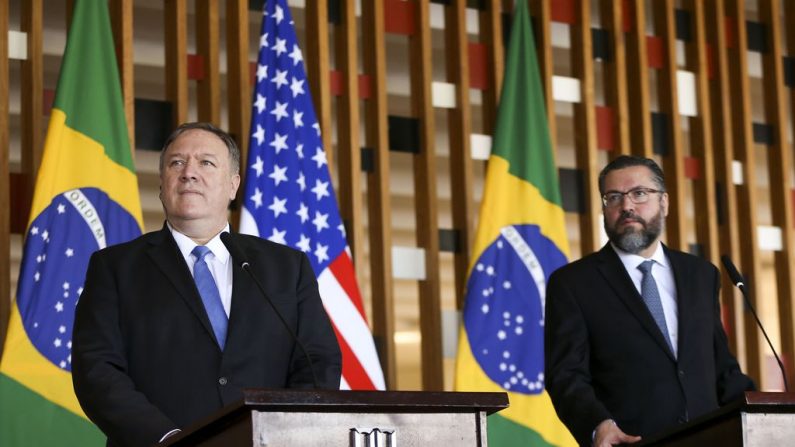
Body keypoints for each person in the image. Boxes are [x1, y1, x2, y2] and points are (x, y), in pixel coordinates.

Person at [72, 122, 341, 447]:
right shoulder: (115, 267)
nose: (189, 173)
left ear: (233, 185)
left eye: (206, 162)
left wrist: (281, 435)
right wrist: (169, 440)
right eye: (176, 162)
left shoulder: (286, 268)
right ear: (162, 184)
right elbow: (97, 371)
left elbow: (316, 362)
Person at [544, 155, 755, 446]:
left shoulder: (701, 275)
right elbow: (566, 375)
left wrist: (766, 411)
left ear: (664, 202)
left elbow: (720, 367)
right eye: (613, 197)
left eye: (639, 194)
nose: (627, 206)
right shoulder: (573, 283)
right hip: (631, 442)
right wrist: (598, 425)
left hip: (711, 439)